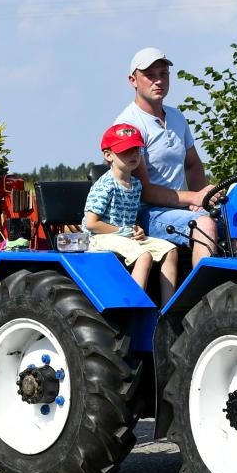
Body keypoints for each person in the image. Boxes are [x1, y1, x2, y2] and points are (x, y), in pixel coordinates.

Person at [116, 47, 218, 265]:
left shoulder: (176, 117)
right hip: (146, 213)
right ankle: (206, 287)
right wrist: (194, 198)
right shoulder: (129, 125)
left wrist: (203, 200)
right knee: (204, 224)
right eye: (150, 75)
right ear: (133, 80)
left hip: (179, 209)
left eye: (163, 74)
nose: (159, 81)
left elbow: (192, 164)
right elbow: (144, 191)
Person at [83, 123, 179, 302]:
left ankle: (168, 309)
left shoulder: (136, 184)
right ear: (108, 155)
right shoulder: (105, 185)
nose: (133, 154)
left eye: (136, 149)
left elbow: (128, 218)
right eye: (126, 150)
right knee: (144, 256)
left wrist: (136, 229)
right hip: (98, 238)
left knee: (170, 249)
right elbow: (91, 223)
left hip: (124, 235)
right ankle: (134, 306)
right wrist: (124, 231)